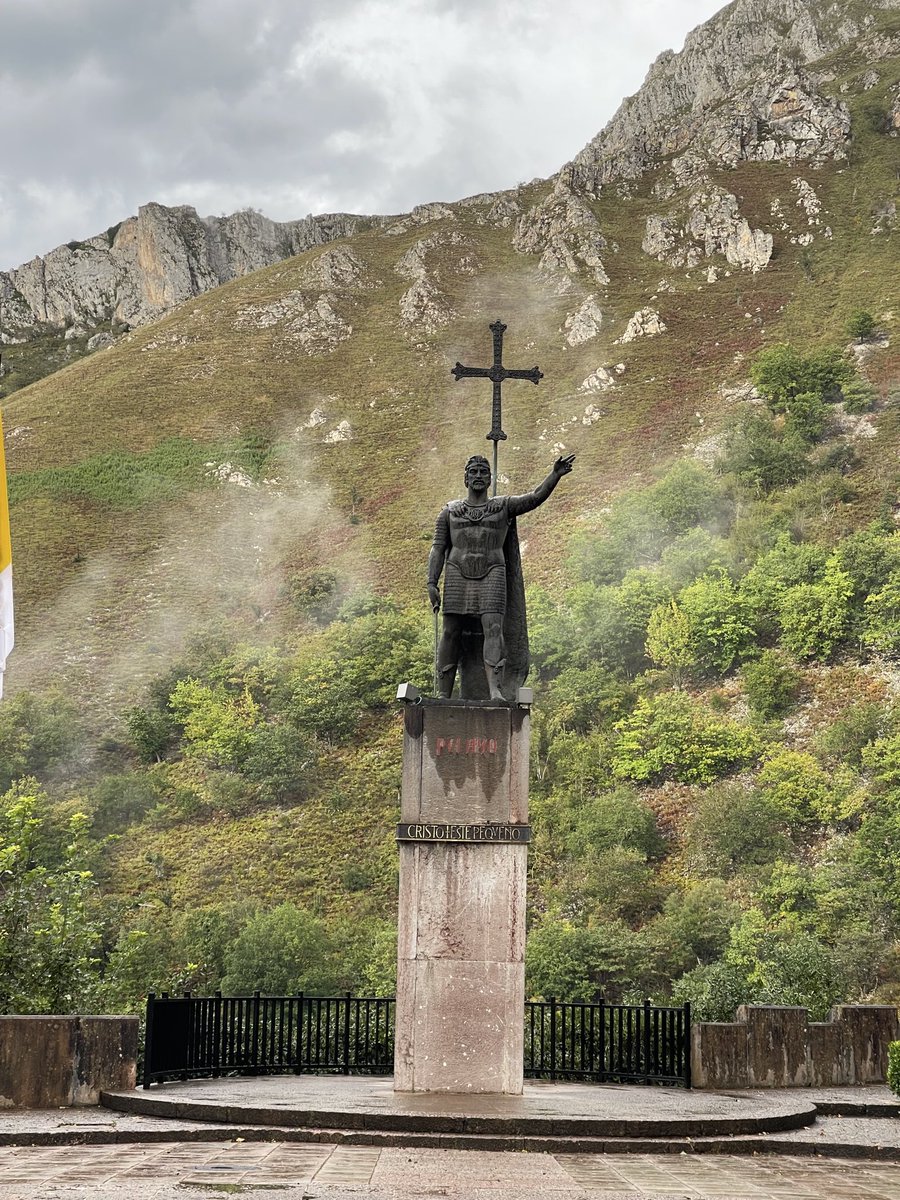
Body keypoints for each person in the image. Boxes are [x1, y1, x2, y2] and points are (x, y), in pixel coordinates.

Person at [427, 453, 575, 701]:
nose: (478, 476)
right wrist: (431, 581)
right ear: (465, 478)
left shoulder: (503, 506)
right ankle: (444, 692)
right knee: (450, 632)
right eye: (473, 472)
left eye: (483, 472)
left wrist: (555, 475)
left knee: (494, 629)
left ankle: (495, 690)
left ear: (490, 479)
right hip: (456, 574)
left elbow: (534, 498)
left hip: (492, 573)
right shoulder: (450, 512)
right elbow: (438, 547)